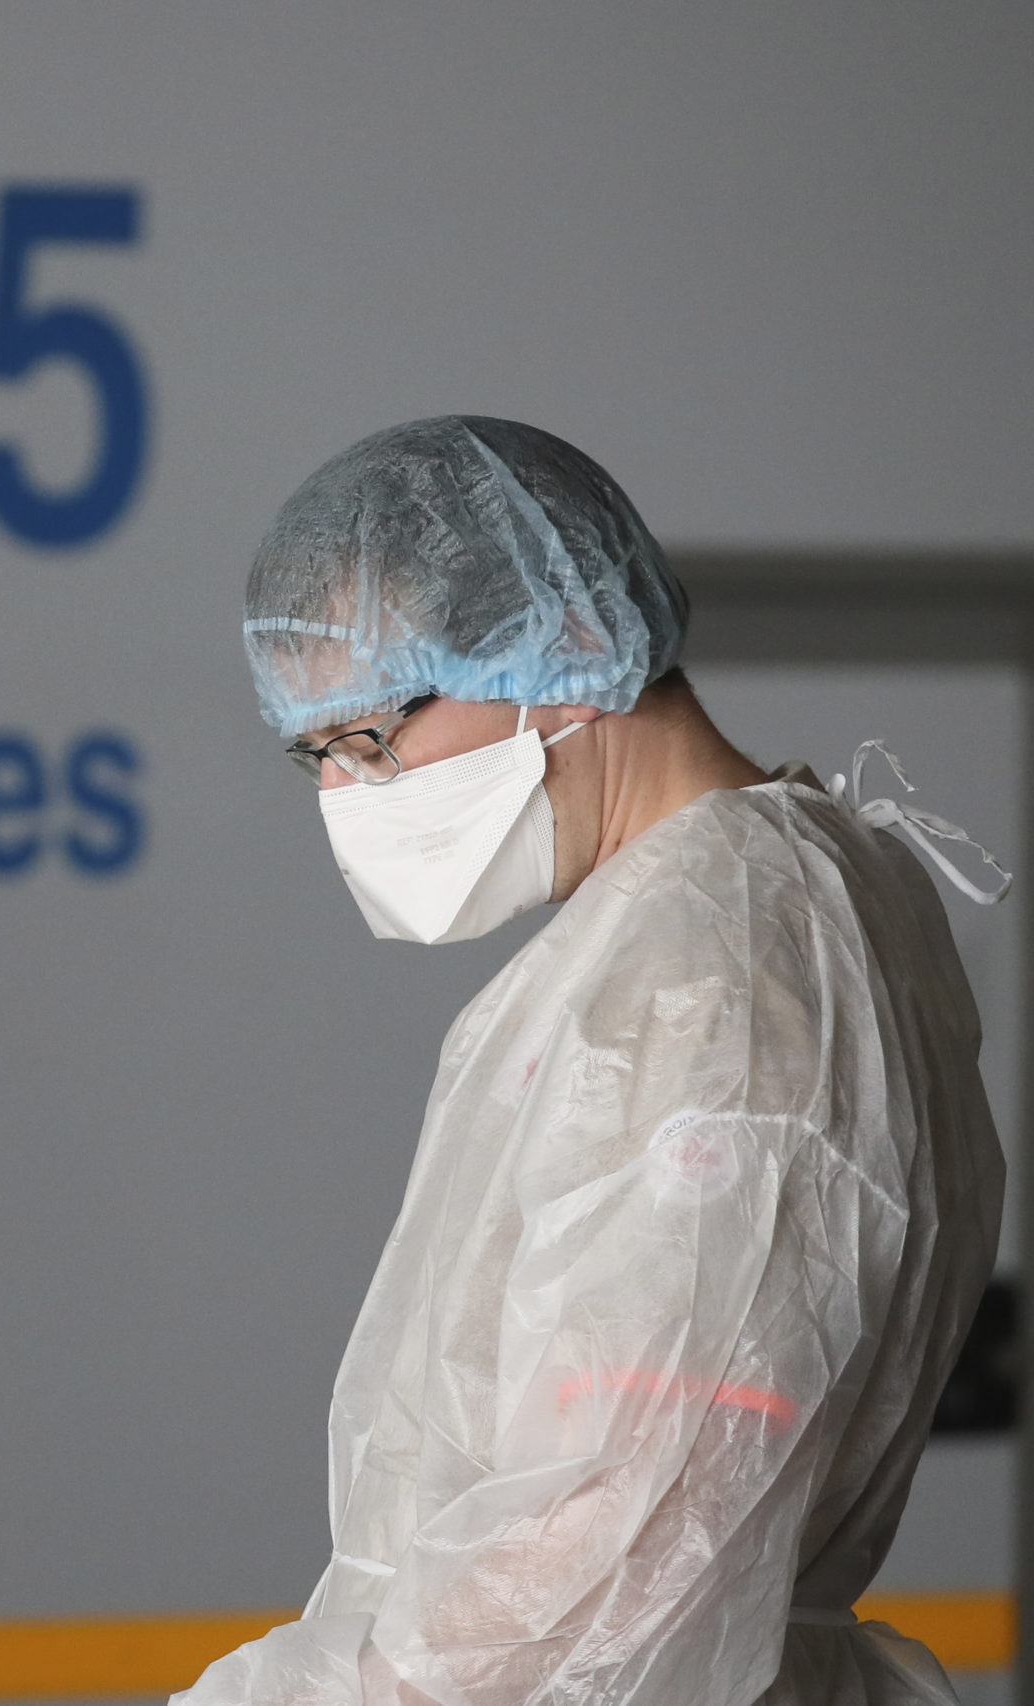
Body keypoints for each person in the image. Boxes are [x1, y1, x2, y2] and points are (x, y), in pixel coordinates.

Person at [180, 417, 1011, 1706]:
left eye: (373, 739)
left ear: (564, 646)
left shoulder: (714, 963)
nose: (347, 798)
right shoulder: (735, 908)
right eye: (316, 757)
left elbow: (630, 1536)